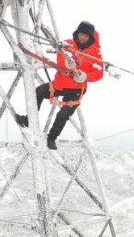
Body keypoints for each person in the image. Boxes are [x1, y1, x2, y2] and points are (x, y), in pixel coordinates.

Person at [16, 21, 104, 149]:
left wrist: (85, 76)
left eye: (86, 36)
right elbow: (61, 58)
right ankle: (29, 120)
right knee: (39, 92)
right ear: (78, 33)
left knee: (63, 115)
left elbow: (98, 73)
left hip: (77, 90)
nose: (83, 37)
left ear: (90, 37)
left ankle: (51, 138)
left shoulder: (95, 53)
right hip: (60, 84)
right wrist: (67, 64)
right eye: (81, 34)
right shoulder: (67, 44)